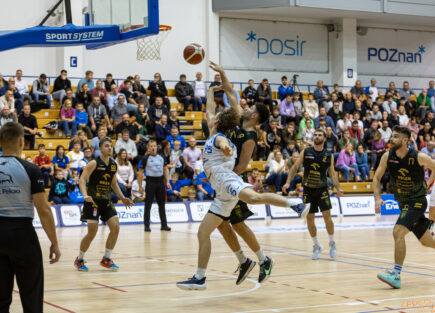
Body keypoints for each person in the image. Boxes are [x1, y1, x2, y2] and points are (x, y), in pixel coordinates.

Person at [177, 63, 306, 291]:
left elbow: (241, 163)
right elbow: (227, 94)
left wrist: (221, 173)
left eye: (249, 108)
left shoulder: (246, 135)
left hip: (229, 178)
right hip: (221, 179)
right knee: (221, 226)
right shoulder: (230, 122)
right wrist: (221, 78)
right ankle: (234, 265)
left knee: (240, 217)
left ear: (254, 115)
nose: (243, 107)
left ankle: (263, 255)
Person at [374, 126, 435, 289]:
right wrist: (377, 197)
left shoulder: (419, 157)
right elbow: (376, 178)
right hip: (403, 202)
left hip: (417, 201)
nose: (391, 139)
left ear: (405, 141)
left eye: (395, 137)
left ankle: (396, 274)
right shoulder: (386, 156)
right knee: (427, 241)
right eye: (392, 136)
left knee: (398, 231)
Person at [0, 122, 60, 313]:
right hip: (23, 235)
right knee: (31, 296)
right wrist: (54, 243)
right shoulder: (31, 169)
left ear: (1, 142)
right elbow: (44, 210)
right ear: (21, 142)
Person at [75, 137, 134, 272]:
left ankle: (106, 258)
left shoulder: (113, 165)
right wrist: (85, 195)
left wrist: (123, 197)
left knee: (116, 227)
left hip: (106, 201)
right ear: (100, 148)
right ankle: (79, 259)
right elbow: (82, 180)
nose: (110, 148)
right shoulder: (94, 163)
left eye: (111, 146)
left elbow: (113, 184)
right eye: (107, 146)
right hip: (93, 201)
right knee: (92, 233)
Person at [283, 128, 344, 259]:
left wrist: (338, 188)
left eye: (319, 135)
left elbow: (332, 173)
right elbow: (294, 167)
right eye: (315, 135)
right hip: (308, 190)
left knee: (328, 218)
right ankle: (316, 245)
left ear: (324, 138)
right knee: (310, 219)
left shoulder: (329, 155)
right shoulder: (306, 152)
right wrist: (288, 182)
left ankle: (332, 243)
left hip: (322, 189)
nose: (316, 136)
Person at [138, 139, 171, 232]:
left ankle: (164, 225)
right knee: (148, 204)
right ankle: (146, 225)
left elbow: (165, 169)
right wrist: (140, 186)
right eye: (151, 146)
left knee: (162, 204)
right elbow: (140, 173)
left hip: (160, 182)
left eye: (154, 146)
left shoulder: (161, 157)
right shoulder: (145, 158)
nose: (153, 148)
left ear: (157, 147)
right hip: (150, 182)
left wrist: (168, 181)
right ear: (148, 147)